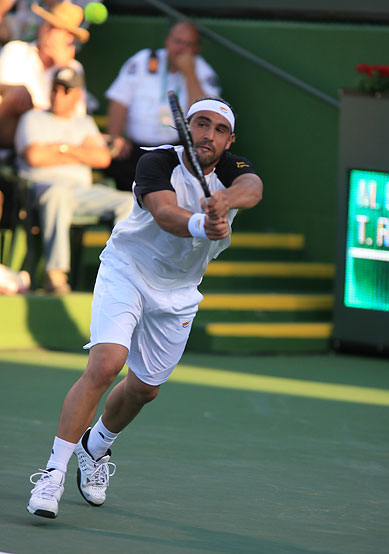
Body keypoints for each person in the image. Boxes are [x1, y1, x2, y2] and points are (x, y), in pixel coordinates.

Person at [26, 95, 263, 519]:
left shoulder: (232, 169)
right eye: (201, 124)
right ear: (185, 128)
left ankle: (95, 446)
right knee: (105, 365)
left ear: (229, 141)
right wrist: (201, 222)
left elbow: (253, 188)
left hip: (179, 290)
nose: (208, 135)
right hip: (129, 270)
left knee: (144, 390)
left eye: (219, 129)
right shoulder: (156, 162)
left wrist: (225, 202)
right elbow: (165, 212)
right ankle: (53, 474)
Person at [14, 66, 132, 294]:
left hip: (81, 192)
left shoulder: (84, 122)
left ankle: (119, 275)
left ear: (78, 95)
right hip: (42, 190)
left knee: (128, 201)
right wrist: (78, 149)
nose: (59, 95)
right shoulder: (32, 118)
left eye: (66, 90)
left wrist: (57, 149)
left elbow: (102, 158)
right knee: (58, 192)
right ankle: (56, 275)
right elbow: (35, 156)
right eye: (55, 89)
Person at [104, 20, 221, 191]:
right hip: (134, 148)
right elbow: (119, 101)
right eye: (177, 41)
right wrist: (115, 137)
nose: (180, 49)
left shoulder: (203, 72)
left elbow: (204, 115)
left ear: (197, 49)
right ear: (167, 41)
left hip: (175, 152)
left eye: (188, 44)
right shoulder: (144, 60)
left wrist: (190, 74)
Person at [0, 0, 89, 148]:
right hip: (12, 132)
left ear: (69, 39)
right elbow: (12, 99)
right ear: (42, 28)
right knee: (20, 94)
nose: (51, 33)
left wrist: (63, 71)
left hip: (53, 138)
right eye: (50, 26)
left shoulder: (73, 68)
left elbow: (77, 117)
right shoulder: (16, 51)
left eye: (61, 31)